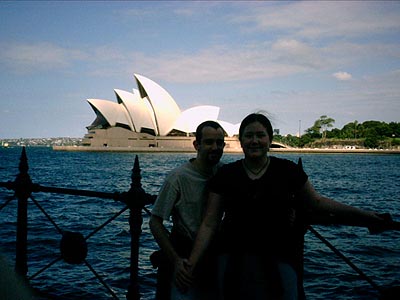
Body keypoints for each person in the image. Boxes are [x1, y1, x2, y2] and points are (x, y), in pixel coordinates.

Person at [182, 113, 394, 300]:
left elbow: (317, 203)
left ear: (270, 139)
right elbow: (210, 223)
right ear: (241, 140)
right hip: (236, 261)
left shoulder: (288, 171)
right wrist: (190, 265)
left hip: (280, 258)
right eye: (249, 135)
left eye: (260, 135)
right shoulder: (226, 175)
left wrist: (366, 216)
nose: (254, 140)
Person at [149, 120, 226, 300]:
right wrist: (175, 260)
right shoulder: (178, 177)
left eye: (220, 143)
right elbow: (155, 221)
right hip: (184, 255)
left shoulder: (224, 173)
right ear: (196, 145)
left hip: (214, 256)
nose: (215, 147)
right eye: (208, 142)